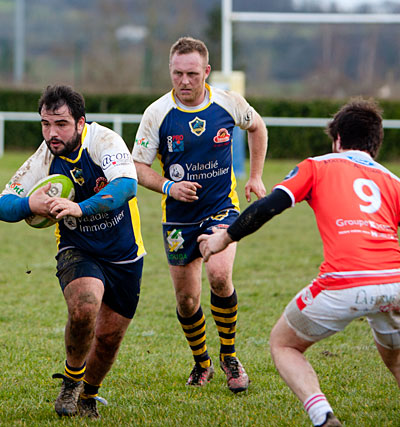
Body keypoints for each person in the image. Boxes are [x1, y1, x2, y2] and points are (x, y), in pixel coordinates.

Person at [198, 98, 400, 427]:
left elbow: (267, 207)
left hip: (344, 283)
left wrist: (222, 239)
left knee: (283, 344)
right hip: (394, 283)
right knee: (397, 359)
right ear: (375, 144)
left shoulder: (318, 165)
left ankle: (323, 416)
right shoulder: (393, 181)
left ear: (337, 139)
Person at [0, 84, 145, 419]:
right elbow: (2, 206)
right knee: (84, 307)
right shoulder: (45, 157)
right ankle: (72, 379)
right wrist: (28, 204)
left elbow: (127, 185)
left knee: (108, 338)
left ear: (80, 122)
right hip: (78, 248)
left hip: (125, 252)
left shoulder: (104, 142)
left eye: (60, 124)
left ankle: (88, 395)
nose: (52, 133)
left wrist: (81, 208)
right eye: (46, 124)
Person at [131, 36, 268, 393]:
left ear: (206, 71)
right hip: (178, 218)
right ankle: (201, 362)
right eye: (178, 73)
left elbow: (258, 127)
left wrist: (254, 176)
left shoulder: (227, 102)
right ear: (170, 72)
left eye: (192, 73)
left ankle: (230, 356)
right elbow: (138, 167)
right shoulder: (157, 113)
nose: (185, 81)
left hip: (222, 208)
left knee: (220, 276)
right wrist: (168, 187)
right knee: (187, 299)